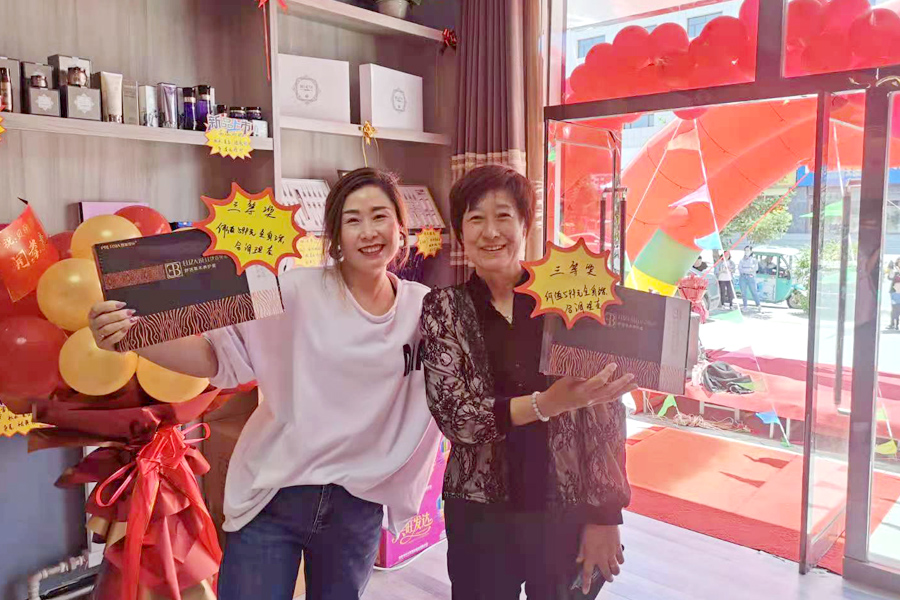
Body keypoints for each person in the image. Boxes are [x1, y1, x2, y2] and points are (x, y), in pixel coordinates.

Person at [87, 168, 440, 600]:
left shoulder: (426, 311)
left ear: (401, 229)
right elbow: (218, 359)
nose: (368, 231)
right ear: (335, 237)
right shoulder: (292, 290)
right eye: (353, 220)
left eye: (380, 216)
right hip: (275, 493)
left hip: (357, 504)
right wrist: (131, 337)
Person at [419, 164, 637, 600]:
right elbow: (458, 419)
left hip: (566, 509)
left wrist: (605, 516)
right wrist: (547, 403)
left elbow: (604, 412)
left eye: (503, 216)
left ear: (525, 225)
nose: (490, 231)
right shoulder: (443, 309)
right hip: (480, 515)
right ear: (460, 232)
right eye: (475, 218)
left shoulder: (565, 297)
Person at [738, 246, 761, 310]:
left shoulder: (754, 260)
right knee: (743, 292)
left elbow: (755, 268)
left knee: (754, 291)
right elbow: (740, 268)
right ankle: (745, 306)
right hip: (743, 277)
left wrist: (747, 269)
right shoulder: (741, 260)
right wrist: (748, 269)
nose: (746, 252)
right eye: (745, 250)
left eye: (748, 250)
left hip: (751, 277)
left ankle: (758, 305)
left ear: (751, 251)